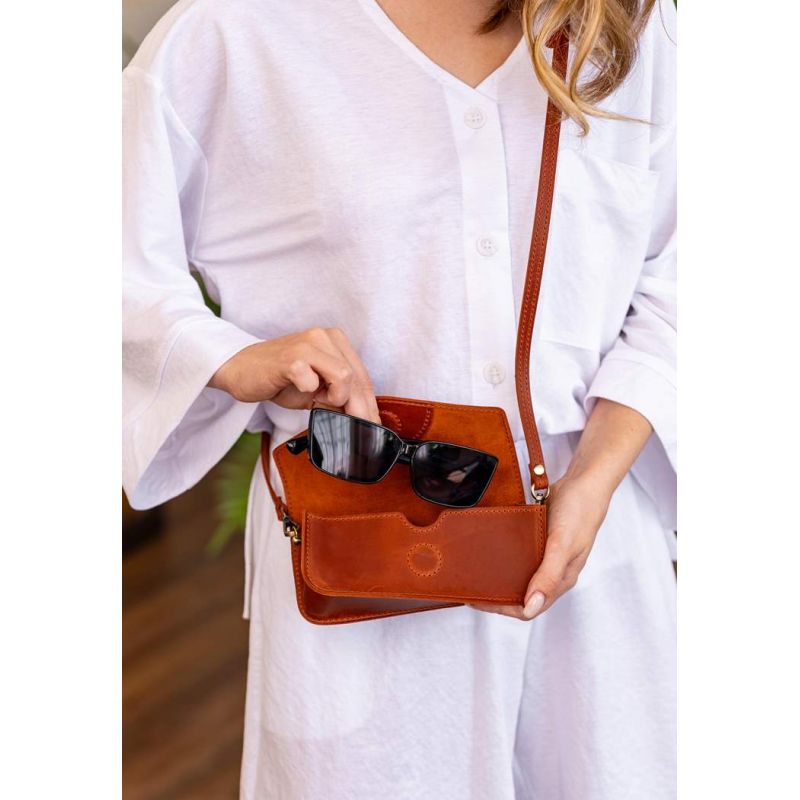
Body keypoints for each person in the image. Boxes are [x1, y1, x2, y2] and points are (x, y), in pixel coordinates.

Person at [122, 0, 677, 796]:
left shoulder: (626, 30)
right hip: (356, 553)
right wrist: (228, 356)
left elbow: (683, 275)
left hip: (597, 548)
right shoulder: (233, 34)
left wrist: (593, 481)